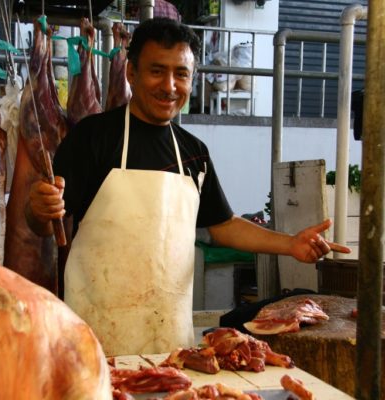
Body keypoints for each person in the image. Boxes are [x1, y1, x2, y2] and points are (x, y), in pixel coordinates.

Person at [27, 17, 350, 357]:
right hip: (94, 337)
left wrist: (291, 244)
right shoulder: (93, 137)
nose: (169, 85)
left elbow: (223, 226)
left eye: (181, 74)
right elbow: (42, 222)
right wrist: (38, 208)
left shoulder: (194, 152)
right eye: (156, 71)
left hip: (170, 341)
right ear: (131, 73)